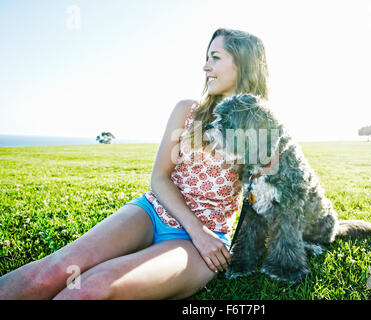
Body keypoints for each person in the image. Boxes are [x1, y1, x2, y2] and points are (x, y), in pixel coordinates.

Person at [0, 28, 269, 300]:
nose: (205, 66)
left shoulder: (262, 134)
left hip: (196, 246)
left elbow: (274, 202)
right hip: (153, 213)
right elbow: (160, 178)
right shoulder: (187, 111)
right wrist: (196, 230)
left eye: (215, 57)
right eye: (206, 57)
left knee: (93, 287)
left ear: (243, 64)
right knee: (50, 272)